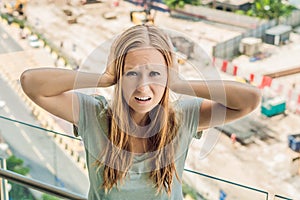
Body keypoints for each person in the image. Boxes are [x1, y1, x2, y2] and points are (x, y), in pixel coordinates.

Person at [20, 24, 261, 200]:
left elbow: (250, 100)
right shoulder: (94, 116)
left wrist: (178, 84)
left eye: (155, 73)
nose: (143, 87)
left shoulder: (183, 117)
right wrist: (103, 79)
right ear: (119, 75)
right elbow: (31, 82)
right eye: (132, 73)